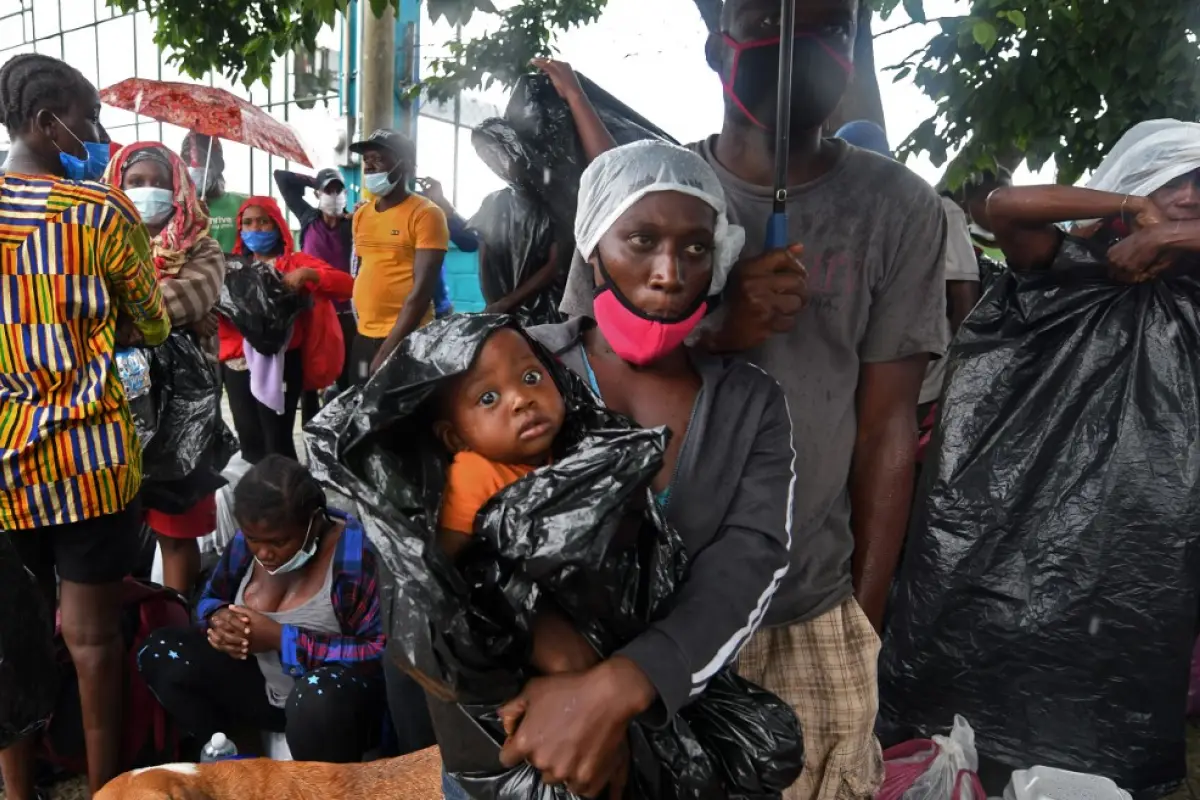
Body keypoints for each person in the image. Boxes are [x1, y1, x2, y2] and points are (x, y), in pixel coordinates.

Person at [539, 1, 949, 792]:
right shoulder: (643, 192)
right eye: (772, 12)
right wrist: (718, 327)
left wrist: (861, 613)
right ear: (714, 44)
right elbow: (581, 376)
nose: (804, 41)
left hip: (808, 605)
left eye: (836, 27)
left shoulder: (899, 210)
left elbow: (887, 427)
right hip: (631, 612)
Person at [432, 139, 796, 800]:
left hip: (665, 725)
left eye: (694, 247)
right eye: (641, 240)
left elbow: (749, 561)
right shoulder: (518, 368)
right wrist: (549, 653)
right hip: (516, 729)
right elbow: (428, 534)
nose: (668, 271)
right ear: (594, 245)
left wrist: (619, 687)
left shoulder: (750, 405)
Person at [0, 53, 171, 799]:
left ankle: (15, 789)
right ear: (47, 122)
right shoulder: (101, 213)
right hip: (90, 460)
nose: (98, 135)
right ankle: (109, 791)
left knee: (11, 641)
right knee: (94, 641)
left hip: (3, 467)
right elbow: (154, 324)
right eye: (89, 119)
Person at [139, 455, 386, 763]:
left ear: (313, 520)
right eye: (255, 540)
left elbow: (379, 654)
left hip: (330, 711)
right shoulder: (247, 541)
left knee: (315, 696)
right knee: (162, 651)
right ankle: (233, 763)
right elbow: (208, 599)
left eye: (279, 542)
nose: (265, 553)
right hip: (265, 693)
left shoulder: (354, 556)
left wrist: (283, 640)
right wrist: (218, 620)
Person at [103, 141, 227, 596]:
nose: (148, 191)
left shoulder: (203, 247)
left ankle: (174, 615)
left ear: (179, 190)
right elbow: (166, 306)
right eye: (136, 183)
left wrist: (121, 317)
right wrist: (174, 316)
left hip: (183, 410)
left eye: (159, 182)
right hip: (115, 404)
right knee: (113, 523)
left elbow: (192, 296)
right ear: (116, 185)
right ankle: (121, 620)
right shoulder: (99, 239)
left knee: (177, 525)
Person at [834, 121, 980, 422]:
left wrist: (963, 374)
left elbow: (963, 294)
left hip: (925, 384)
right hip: (856, 381)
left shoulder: (934, 209)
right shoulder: (840, 220)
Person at [218, 197, 352, 463]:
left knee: (277, 441)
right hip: (237, 365)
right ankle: (257, 499)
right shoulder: (231, 268)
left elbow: (347, 285)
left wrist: (310, 275)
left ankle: (287, 498)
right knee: (249, 440)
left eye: (263, 222)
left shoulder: (295, 263)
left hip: (283, 364)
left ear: (277, 225)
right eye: (248, 223)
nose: (255, 229)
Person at [988, 121, 1200, 277]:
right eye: (1170, 183)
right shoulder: (1083, 251)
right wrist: (1135, 204)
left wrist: (1161, 235)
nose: (1189, 198)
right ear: (1143, 185)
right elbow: (1004, 204)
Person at [435, 326, 566, 559]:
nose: (522, 400)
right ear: (456, 438)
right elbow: (446, 562)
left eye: (531, 377)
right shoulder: (474, 476)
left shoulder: (565, 448)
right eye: (488, 398)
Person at [348, 130, 449, 380]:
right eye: (366, 160)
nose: (369, 166)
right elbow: (364, 271)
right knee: (360, 412)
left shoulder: (426, 214)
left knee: (403, 417)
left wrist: (387, 349)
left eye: (378, 159)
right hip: (364, 336)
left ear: (403, 165)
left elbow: (422, 292)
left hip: (408, 339)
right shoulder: (362, 214)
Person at [416, 176, 481, 319]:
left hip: (434, 312)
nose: (370, 167)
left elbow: (470, 242)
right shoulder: (369, 211)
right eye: (367, 159)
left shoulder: (425, 205)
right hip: (383, 313)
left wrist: (442, 203)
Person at [181, 132, 248, 254]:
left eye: (200, 159)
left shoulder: (243, 204)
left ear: (218, 165)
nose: (193, 166)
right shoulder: (179, 208)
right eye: (187, 161)